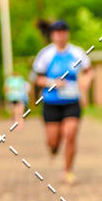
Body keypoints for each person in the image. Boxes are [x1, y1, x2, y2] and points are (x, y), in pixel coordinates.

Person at [31, 20, 93, 185]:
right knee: (53, 141)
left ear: (67, 34)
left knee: (70, 134)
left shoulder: (77, 53)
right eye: (57, 33)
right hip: (52, 102)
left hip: (72, 101)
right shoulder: (46, 54)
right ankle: (53, 147)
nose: (60, 36)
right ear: (52, 35)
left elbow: (88, 72)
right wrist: (52, 82)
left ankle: (68, 171)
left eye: (63, 32)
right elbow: (37, 79)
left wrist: (85, 85)